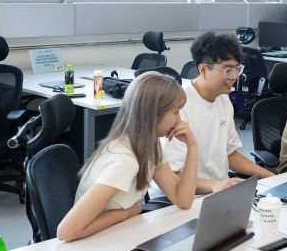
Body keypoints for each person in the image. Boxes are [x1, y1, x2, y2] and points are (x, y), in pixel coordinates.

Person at [57, 71, 197, 241]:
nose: (179, 120)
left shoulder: (148, 145)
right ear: (153, 115)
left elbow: (183, 200)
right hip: (94, 243)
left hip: (116, 234)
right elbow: (67, 231)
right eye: (175, 112)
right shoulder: (125, 160)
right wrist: (126, 213)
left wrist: (192, 146)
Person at [157, 31, 274, 197]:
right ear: (203, 70)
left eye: (237, 68)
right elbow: (173, 175)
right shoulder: (179, 108)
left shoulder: (223, 99)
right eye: (227, 70)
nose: (234, 76)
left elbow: (229, 155)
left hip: (221, 192)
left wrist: (272, 177)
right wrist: (215, 185)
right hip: (188, 198)